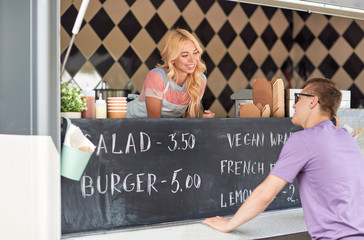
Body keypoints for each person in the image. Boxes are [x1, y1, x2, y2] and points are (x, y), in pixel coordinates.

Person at [203, 78, 364, 239]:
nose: (293, 105)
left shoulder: (303, 139)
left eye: (298, 98)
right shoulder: (345, 136)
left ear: (313, 101)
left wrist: (228, 224)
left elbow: (265, 194)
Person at [127, 28, 215, 118]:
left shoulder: (199, 80)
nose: (192, 60)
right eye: (185, 55)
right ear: (172, 58)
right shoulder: (157, 77)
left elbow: (189, 124)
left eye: (195, 53)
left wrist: (203, 121)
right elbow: (154, 123)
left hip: (159, 129)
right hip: (126, 122)